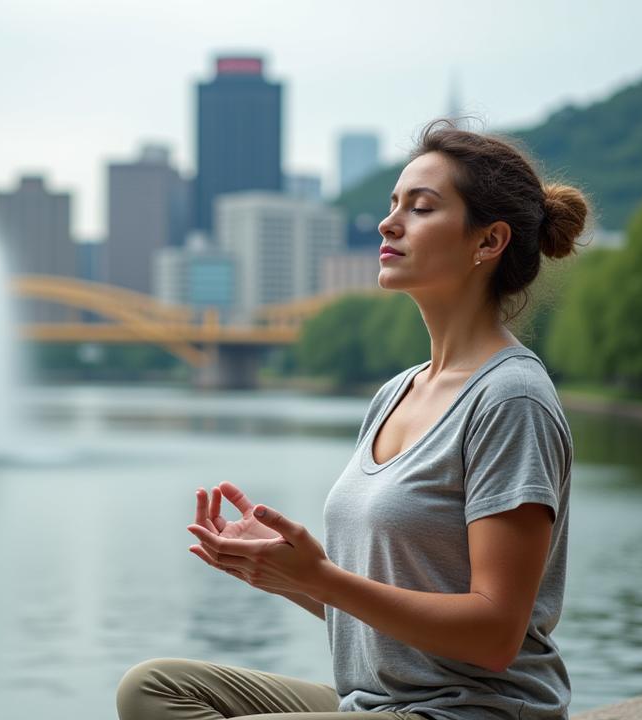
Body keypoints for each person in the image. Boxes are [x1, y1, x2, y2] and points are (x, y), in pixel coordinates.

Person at [116, 118, 589, 720]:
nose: (388, 224)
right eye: (393, 205)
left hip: (467, 712)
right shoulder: (396, 393)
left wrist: (322, 576)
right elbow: (383, 617)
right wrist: (286, 574)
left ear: (488, 242)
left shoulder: (510, 400)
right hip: (376, 703)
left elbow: (495, 634)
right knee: (152, 688)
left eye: (420, 208)